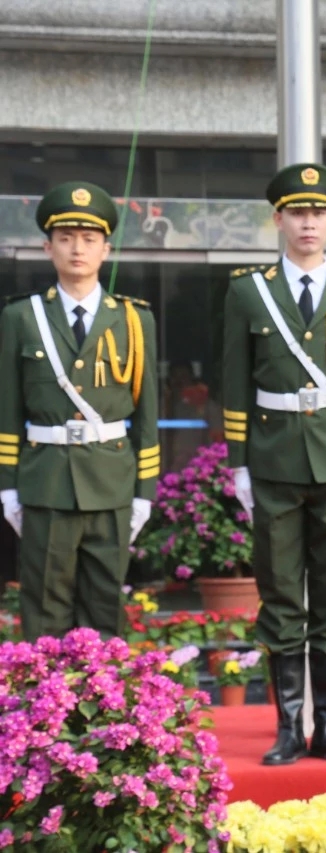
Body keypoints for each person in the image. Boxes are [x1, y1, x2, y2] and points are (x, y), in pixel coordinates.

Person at [221, 163, 326, 766]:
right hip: (272, 459)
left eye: (319, 212)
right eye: (297, 211)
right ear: (279, 219)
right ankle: (288, 727)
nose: (309, 221)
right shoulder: (248, 291)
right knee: (281, 593)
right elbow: (235, 383)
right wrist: (238, 464)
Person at [0, 182, 158, 640]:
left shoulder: (133, 318)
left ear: (106, 249)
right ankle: (48, 707)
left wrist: (144, 490)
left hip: (111, 481)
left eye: (89, 240)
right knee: (45, 606)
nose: (77, 249)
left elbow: (146, 414)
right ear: (48, 247)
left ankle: (103, 709)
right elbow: (7, 410)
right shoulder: (20, 318)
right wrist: (8, 486)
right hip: (45, 480)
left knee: (104, 607)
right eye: (66, 238)